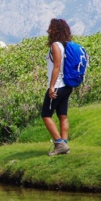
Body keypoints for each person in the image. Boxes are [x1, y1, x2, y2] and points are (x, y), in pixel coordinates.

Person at [42, 18, 73, 156]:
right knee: (63, 115)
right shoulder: (68, 45)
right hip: (67, 85)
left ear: (55, 30)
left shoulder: (56, 45)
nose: (48, 30)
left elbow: (57, 66)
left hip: (58, 86)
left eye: (50, 28)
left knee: (46, 115)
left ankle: (59, 144)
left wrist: (51, 86)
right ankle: (65, 145)